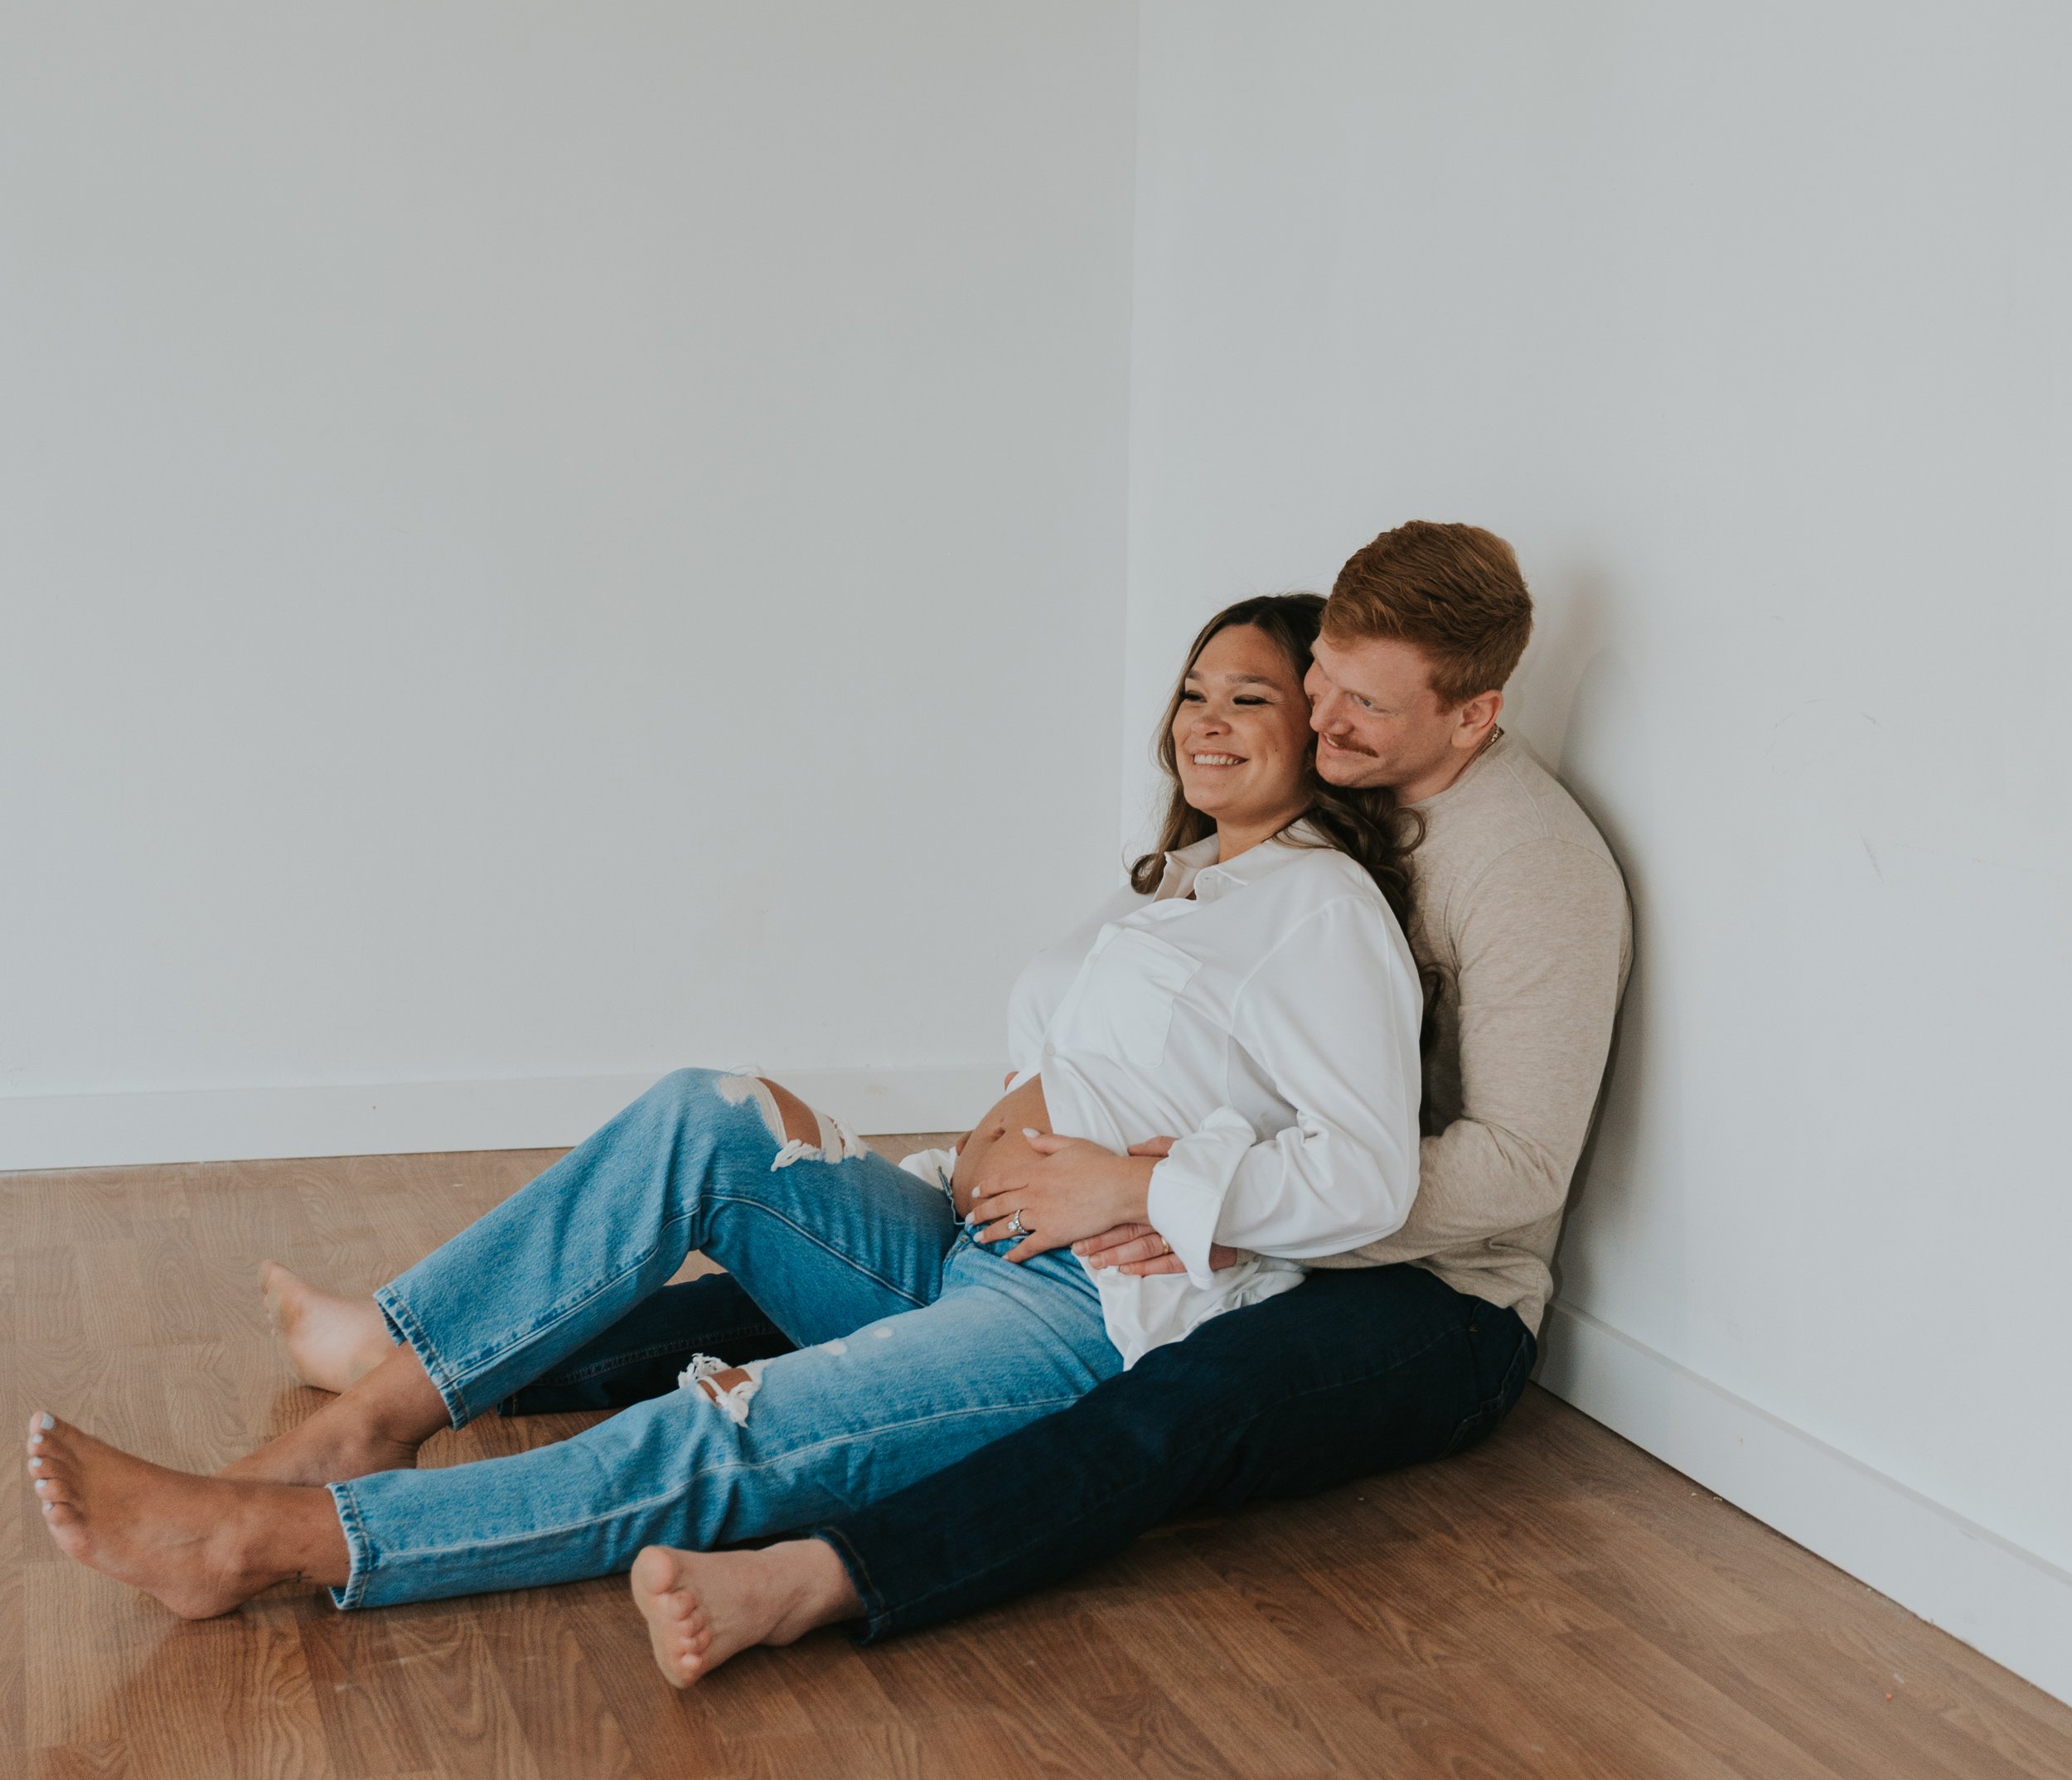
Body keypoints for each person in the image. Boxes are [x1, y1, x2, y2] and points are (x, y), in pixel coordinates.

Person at [27, 593, 1428, 1624]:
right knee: (714, 1109)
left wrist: (1148, 1194)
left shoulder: (1321, 905)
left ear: (1318, 721)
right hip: (953, 1233)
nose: (1204, 718)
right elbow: (1074, 1085)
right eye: (1192, 690)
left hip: (1073, 1312)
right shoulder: (1177, 892)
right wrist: (914, 1166)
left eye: (1247, 695)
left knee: (728, 1422)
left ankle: (281, 1539)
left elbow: (1369, 1170)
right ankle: (382, 1401)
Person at [622, 518, 1633, 1691]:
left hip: (1440, 1289)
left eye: (1367, 706)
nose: (1323, 721)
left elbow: (1518, 1169)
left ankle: (816, 1579)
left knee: (1180, 1400)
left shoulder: (1530, 867)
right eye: (1322, 684)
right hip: (1264, 1204)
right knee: (870, 1257)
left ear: (1474, 713)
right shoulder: (1339, 797)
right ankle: (473, 1359)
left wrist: (1199, 1199)